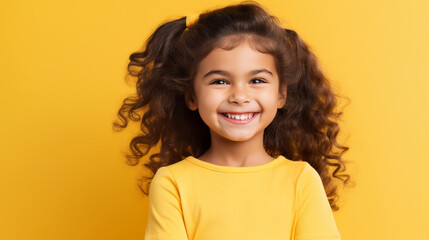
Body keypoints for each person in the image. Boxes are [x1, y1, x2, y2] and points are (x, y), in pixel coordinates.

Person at [113, 1, 351, 239]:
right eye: (220, 81)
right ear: (192, 96)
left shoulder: (301, 180)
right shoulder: (172, 183)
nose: (239, 96)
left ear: (281, 94)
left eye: (257, 80)